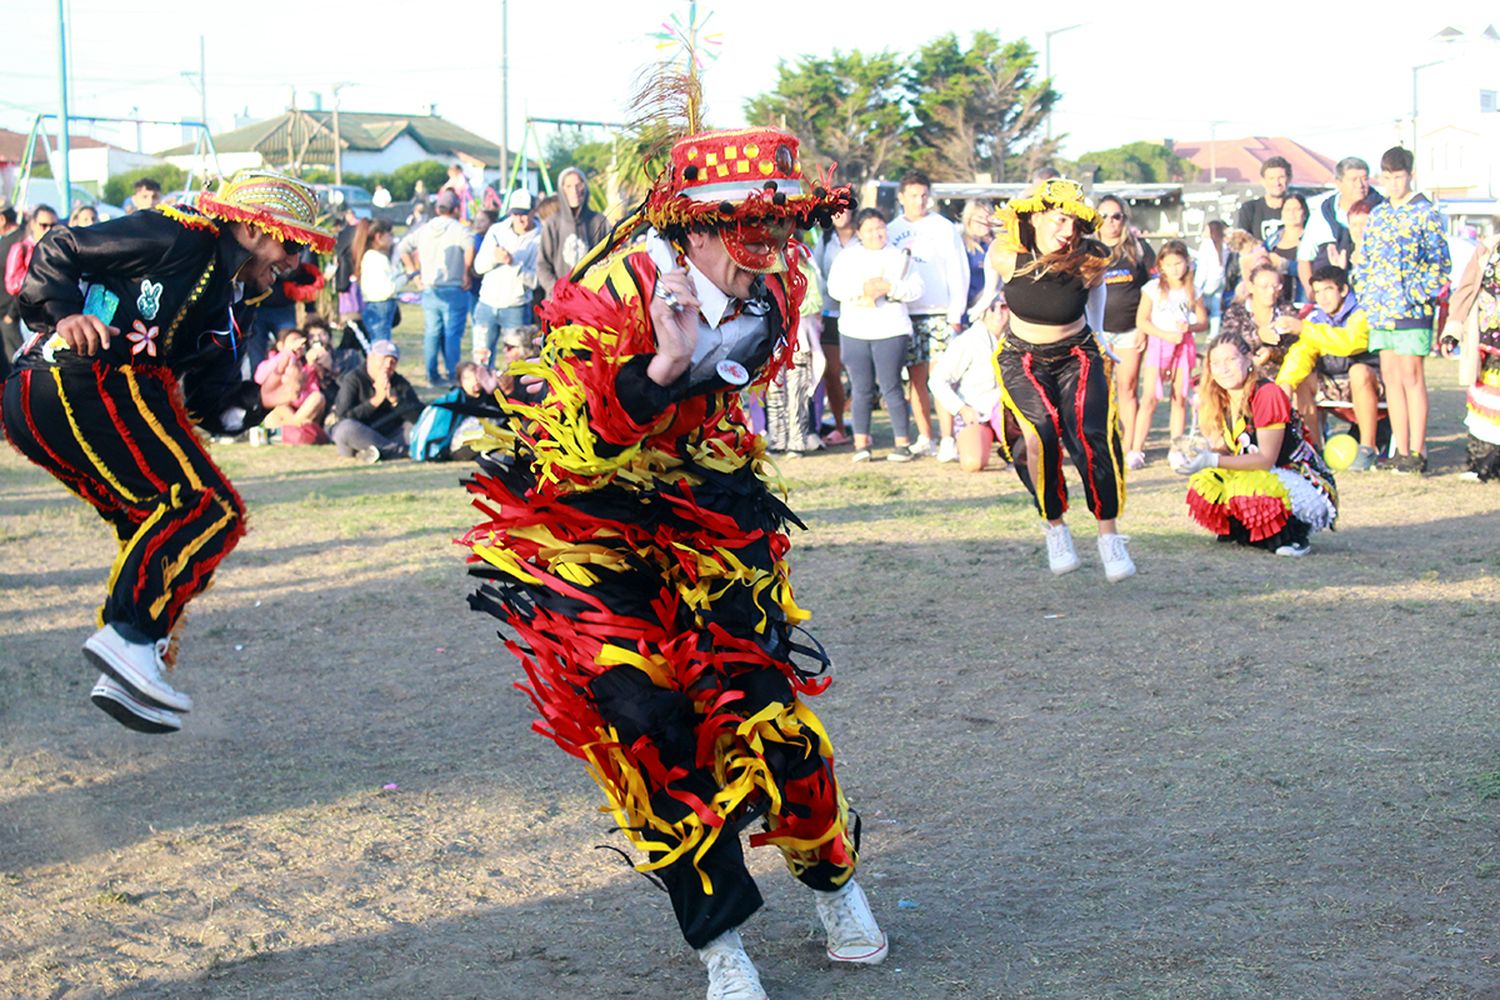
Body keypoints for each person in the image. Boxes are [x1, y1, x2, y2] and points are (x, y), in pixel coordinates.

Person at [458, 122, 884, 1000]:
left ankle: (834, 880)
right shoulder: (615, 289)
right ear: (690, 225)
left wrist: (695, 396)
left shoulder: (775, 289)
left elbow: (736, 387)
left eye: (783, 227)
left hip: (713, 515)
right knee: (646, 724)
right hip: (587, 523)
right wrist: (659, 369)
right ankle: (720, 941)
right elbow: (571, 445)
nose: (769, 249)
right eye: (750, 229)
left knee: (768, 713)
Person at [1, 170, 329, 733]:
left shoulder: (239, 299)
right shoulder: (180, 234)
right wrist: (65, 313)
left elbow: (209, 402)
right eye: (291, 243)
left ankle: (126, 667)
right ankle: (128, 638)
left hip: (74, 399)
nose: (293, 261)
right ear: (252, 229)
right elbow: (61, 246)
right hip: (81, 382)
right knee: (206, 507)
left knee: (157, 524)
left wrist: (262, 398)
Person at [988, 178, 1135, 581]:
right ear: (1036, 217)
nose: (1067, 231)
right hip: (1022, 356)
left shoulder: (1089, 257)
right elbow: (990, 280)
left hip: (1076, 353)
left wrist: (1101, 334)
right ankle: (1054, 525)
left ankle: (1109, 537)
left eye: (1073, 221)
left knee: (1094, 436)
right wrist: (983, 305)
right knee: (1040, 434)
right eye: (1058, 219)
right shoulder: (1006, 253)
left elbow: (1098, 291)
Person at [1176, 331, 1338, 556]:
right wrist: (1195, 456)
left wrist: (1212, 459)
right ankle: (1243, 530)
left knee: (1247, 482)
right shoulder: (1218, 396)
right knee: (1206, 481)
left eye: (1231, 360)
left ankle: (1292, 535)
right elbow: (1227, 450)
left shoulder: (1266, 393)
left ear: (1248, 359)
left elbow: (1265, 459)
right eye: (1216, 363)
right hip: (1266, 474)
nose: (1223, 368)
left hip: (1302, 482)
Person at [1357, 146, 1450, 475]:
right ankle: (1401, 447)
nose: (1394, 184)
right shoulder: (1379, 214)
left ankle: (1417, 450)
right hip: (1381, 310)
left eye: (1399, 177)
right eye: (1388, 178)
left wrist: (1415, 294)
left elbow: (1441, 264)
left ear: (1410, 176)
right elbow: (1364, 258)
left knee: (1412, 377)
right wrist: (1366, 294)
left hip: (1412, 310)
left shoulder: (1425, 212)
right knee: (1391, 378)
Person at [826, 206, 925, 462]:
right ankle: (861, 444)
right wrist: (863, 289)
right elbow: (835, 288)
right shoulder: (848, 257)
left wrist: (890, 288)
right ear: (859, 232)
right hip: (854, 329)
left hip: (891, 329)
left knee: (891, 386)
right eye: (869, 229)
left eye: (880, 228)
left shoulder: (899, 256)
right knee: (861, 388)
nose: (876, 234)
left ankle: (902, 443)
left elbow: (916, 288)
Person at [887, 171, 970, 461]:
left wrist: (955, 312)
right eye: (913, 195)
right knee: (916, 380)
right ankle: (926, 436)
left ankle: (948, 438)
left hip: (939, 313)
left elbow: (959, 270)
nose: (919, 200)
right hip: (905, 314)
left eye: (924, 195)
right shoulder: (891, 228)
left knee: (941, 379)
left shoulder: (944, 227)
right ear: (901, 197)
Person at [1274, 264, 1380, 466]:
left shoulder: (1361, 314)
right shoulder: (1316, 319)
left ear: (1343, 290)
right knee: (1302, 378)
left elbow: (1349, 342)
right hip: (1334, 383)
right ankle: (1314, 449)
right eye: (1317, 292)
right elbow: (1302, 353)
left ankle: (1368, 448)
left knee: (1358, 372)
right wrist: (1285, 383)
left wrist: (1304, 328)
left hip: (1371, 383)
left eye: (1328, 290)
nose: (1322, 297)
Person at [1094, 195, 1155, 470]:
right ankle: (1106, 443)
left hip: (1130, 330)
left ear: (1124, 219)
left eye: (1116, 216)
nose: (1110, 222)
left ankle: (1131, 447)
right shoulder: (1088, 249)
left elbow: (1152, 290)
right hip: (1098, 331)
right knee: (1100, 392)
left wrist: (1145, 325)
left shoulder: (1138, 249)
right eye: (1104, 216)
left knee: (1127, 388)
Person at [1133, 239, 1208, 461]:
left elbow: (1204, 322)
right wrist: (1164, 335)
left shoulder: (1193, 291)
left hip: (1183, 345)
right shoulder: (1153, 289)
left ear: (1187, 262)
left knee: (1180, 398)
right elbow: (1142, 320)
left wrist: (1190, 327)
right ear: (1161, 266)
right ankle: (1136, 449)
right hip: (1159, 344)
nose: (1175, 269)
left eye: (1179, 263)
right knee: (1150, 398)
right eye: (1169, 264)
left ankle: (1176, 448)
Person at [397, 189, 473, 385]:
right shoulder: (459, 229)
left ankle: (432, 375)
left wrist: (414, 273)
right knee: (452, 335)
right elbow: (470, 247)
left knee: (431, 333)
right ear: (456, 209)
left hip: (429, 288)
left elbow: (402, 248)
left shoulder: (425, 228)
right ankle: (453, 374)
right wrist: (465, 272)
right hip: (454, 288)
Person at [928, 292, 1008, 472]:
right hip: (976, 413)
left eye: (1003, 307)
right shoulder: (967, 341)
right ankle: (962, 442)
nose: (998, 313)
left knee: (1031, 457)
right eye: (991, 308)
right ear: (981, 311)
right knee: (973, 463)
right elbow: (937, 380)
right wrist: (961, 408)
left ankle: (1012, 448)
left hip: (1008, 413)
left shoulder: (1019, 339)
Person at [1445, 230, 1500, 481]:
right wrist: (1453, 330)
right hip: (1488, 341)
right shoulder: (1488, 248)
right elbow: (1467, 289)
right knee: (1485, 403)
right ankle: (1483, 464)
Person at [1298, 156, 1384, 296]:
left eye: (1364, 178)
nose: (1360, 185)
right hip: (1329, 299)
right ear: (1338, 182)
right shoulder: (1323, 213)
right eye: (1353, 180)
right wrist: (1313, 293)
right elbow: (1305, 258)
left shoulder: (1382, 210)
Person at [473, 189, 539, 368]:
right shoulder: (496, 230)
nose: (519, 219)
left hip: (516, 307)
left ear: (534, 211)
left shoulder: (541, 238)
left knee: (518, 362)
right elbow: (478, 267)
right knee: (481, 359)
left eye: (524, 214)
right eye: (515, 213)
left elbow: (536, 281)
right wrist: (495, 257)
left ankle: (514, 394)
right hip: (487, 303)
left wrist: (513, 263)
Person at [330, 339, 422, 462]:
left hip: (391, 433)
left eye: (392, 362)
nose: (387, 365)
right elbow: (344, 416)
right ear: (370, 359)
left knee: (414, 427)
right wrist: (376, 400)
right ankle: (398, 452)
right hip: (362, 433)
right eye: (383, 359)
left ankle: (376, 453)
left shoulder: (399, 382)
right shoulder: (353, 379)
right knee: (345, 429)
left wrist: (395, 400)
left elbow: (419, 416)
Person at [814, 204, 858, 443]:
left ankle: (862, 428)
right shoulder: (826, 239)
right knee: (832, 372)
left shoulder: (864, 237)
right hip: (831, 313)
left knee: (859, 374)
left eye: (845, 209)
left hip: (860, 312)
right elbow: (817, 274)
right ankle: (840, 425)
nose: (841, 215)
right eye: (835, 211)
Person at [536, 166, 610, 295]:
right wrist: (557, 289)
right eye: (568, 186)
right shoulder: (553, 224)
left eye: (578, 185)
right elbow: (543, 265)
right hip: (559, 300)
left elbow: (610, 258)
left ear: (585, 187)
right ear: (561, 189)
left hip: (592, 298)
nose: (574, 191)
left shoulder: (599, 221)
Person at [1221, 263, 1300, 381]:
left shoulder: (1287, 311)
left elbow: (1296, 348)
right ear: (1251, 287)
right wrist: (1258, 336)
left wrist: (1272, 353)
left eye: (1275, 286)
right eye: (1264, 287)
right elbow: (1229, 345)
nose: (1271, 291)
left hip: (1280, 376)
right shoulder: (1235, 313)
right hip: (1243, 375)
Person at [254, 326, 327, 443]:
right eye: (294, 341)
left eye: (301, 343)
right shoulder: (269, 363)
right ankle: (296, 429)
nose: (299, 346)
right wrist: (287, 354)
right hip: (281, 409)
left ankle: (289, 430)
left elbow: (313, 392)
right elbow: (260, 379)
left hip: (302, 410)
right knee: (274, 404)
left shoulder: (308, 367)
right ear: (280, 345)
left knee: (318, 398)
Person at [355, 219, 407, 342]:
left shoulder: (370, 256)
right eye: (390, 235)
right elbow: (389, 289)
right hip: (381, 304)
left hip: (373, 304)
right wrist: (405, 277)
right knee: (381, 343)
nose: (392, 239)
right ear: (379, 237)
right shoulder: (378, 259)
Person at [1235, 155, 1292, 245]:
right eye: (1271, 178)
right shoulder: (1250, 209)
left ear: (1289, 179)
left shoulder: (1297, 208)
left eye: (1281, 177)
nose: (1277, 183)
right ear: (1263, 181)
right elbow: (1243, 245)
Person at [1270, 194, 1309, 303]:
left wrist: (1285, 265)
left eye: (1296, 209)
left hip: (1300, 300)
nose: (1291, 213)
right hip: (1274, 301)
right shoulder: (1273, 239)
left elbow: (1314, 269)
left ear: (1304, 213)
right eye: (1287, 209)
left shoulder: (1311, 240)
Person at [960, 200, 994, 324]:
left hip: (996, 310)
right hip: (971, 310)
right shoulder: (962, 246)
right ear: (969, 220)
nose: (985, 221)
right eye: (979, 217)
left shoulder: (998, 244)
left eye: (988, 216)